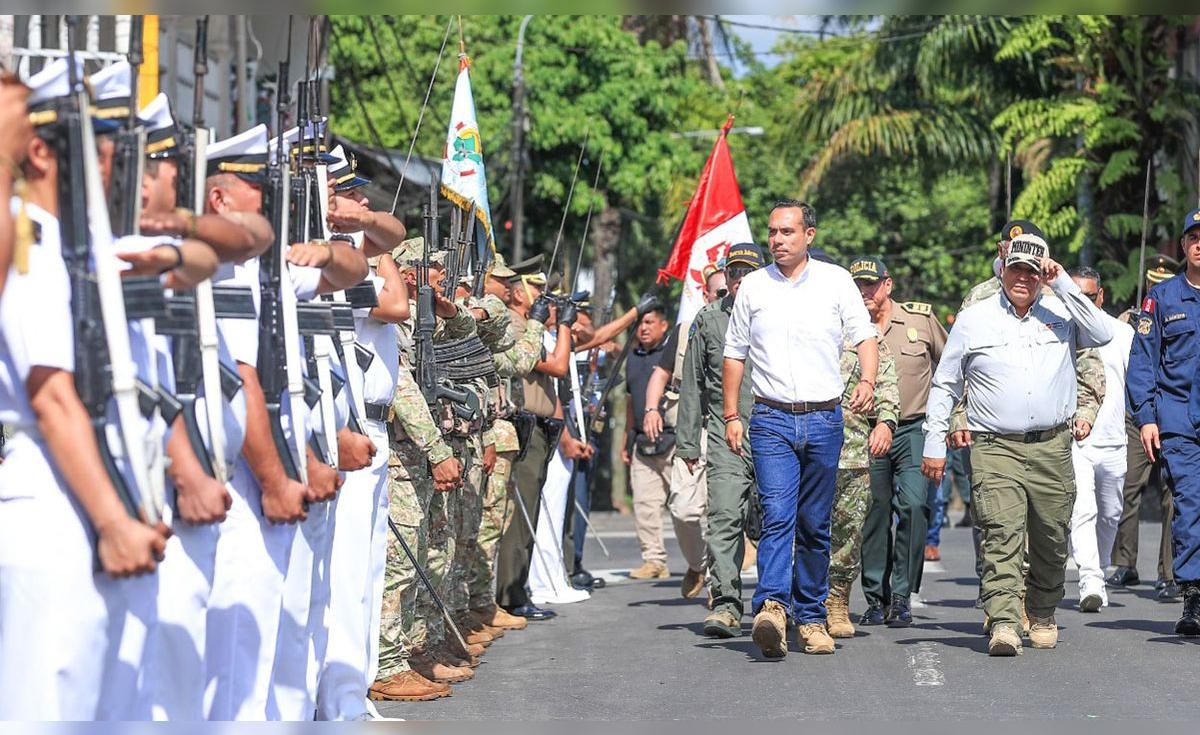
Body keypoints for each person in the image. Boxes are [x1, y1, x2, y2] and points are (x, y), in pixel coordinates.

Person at [0, 56, 168, 721]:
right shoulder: (30, 243)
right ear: (40, 151)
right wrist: (111, 520)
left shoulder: (74, 247)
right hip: (51, 502)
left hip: (92, 493)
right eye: (92, 143)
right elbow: (52, 396)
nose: (109, 163)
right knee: (48, 706)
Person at [922, 231, 1113, 656]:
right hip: (995, 447)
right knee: (1000, 534)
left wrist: (1061, 280)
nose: (1023, 278)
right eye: (1016, 270)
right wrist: (935, 441)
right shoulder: (976, 317)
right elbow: (946, 383)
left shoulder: (1062, 310)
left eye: (1032, 271)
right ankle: (1005, 621)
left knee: (1050, 535)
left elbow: (1103, 333)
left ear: (1043, 274)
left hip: (1051, 445)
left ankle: (1042, 612)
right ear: (1003, 270)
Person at [723, 200, 878, 659]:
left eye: (787, 232)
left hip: (825, 419)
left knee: (814, 523)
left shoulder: (835, 282)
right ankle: (772, 605)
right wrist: (733, 415)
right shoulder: (753, 286)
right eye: (772, 232)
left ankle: (810, 618)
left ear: (809, 235)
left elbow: (865, 336)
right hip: (770, 418)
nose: (777, 240)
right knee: (777, 514)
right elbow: (735, 353)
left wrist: (867, 380)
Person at [850, 256, 946, 627]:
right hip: (865, 429)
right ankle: (876, 597)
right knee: (874, 511)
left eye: (871, 285)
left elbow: (951, 364)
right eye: (858, 285)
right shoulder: (847, 325)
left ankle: (903, 594)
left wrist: (954, 417)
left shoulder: (919, 320)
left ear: (887, 285)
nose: (865, 292)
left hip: (913, 428)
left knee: (914, 505)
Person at [675, 244, 762, 637]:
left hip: (774, 432)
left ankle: (780, 604)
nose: (740, 279)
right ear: (725, 277)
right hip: (726, 435)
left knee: (777, 523)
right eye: (733, 272)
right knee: (724, 516)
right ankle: (726, 604)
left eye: (747, 271)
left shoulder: (780, 312)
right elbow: (692, 385)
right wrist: (688, 445)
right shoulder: (709, 319)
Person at [1126, 209, 1200, 637]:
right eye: (1192, 237)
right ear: (1184, 245)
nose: (1199, 244)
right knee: (1189, 507)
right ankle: (1193, 594)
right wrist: (1147, 419)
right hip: (1179, 421)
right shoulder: (1163, 298)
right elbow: (1143, 363)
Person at [822, 252, 900, 639]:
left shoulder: (861, 333)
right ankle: (792, 600)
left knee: (848, 530)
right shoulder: (797, 328)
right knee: (797, 526)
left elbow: (887, 383)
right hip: (801, 447)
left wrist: (885, 422)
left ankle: (837, 601)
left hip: (851, 451)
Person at [641, 263, 726, 597]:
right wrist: (651, 409)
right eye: (717, 292)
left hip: (731, 429)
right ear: (704, 295)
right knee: (683, 509)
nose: (723, 296)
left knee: (726, 513)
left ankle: (722, 589)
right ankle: (698, 563)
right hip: (692, 431)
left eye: (728, 291)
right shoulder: (685, 329)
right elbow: (661, 373)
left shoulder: (747, 327)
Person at [1110, 254, 1180, 598]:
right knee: (1129, 487)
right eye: (1155, 281)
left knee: (1174, 495)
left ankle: (1170, 572)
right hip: (1138, 413)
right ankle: (1125, 562)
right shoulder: (1130, 319)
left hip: (1175, 412)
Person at [1066, 266, 1133, 612]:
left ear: (1101, 296)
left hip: (1114, 440)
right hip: (1076, 441)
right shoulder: (1062, 330)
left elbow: (1138, 383)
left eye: (1089, 298)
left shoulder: (1121, 334)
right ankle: (1090, 581)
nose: (1083, 305)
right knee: (1084, 509)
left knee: (1110, 514)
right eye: (1076, 297)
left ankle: (1100, 570)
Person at [623, 304, 706, 585]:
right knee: (645, 505)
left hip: (675, 439)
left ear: (663, 326)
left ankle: (704, 563)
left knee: (687, 505)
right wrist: (627, 438)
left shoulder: (677, 348)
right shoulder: (632, 357)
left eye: (649, 322)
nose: (643, 328)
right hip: (643, 441)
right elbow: (628, 402)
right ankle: (654, 560)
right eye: (640, 323)